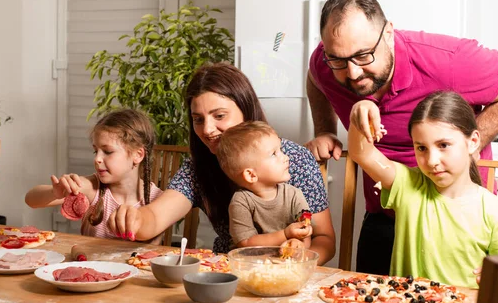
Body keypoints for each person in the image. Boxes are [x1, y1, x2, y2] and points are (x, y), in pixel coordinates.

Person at [305, 0, 498, 275]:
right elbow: (316, 79)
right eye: (339, 61)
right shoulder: (326, 60)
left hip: (459, 215)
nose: (352, 73)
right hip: (387, 208)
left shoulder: (451, 60)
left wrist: (466, 146)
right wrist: (326, 129)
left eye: (363, 56)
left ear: (388, 34)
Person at [106, 62, 336, 265]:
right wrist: (134, 219)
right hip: (227, 272)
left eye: (219, 116)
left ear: (245, 111)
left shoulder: (294, 159)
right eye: (198, 119)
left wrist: (297, 265)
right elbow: (155, 217)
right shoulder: (198, 168)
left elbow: (324, 239)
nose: (206, 130)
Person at [348, 91, 498, 288]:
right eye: (421, 148)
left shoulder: (495, 210)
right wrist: (359, 113)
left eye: (443, 145)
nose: (431, 161)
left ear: (473, 142)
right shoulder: (408, 185)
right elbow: (361, 153)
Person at [25, 109, 163, 242]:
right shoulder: (92, 188)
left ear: (137, 155)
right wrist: (54, 193)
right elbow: (31, 199)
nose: (97, 159)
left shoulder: (157, 200)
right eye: (95, 151)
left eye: (107, 152)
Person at [215, 120, 313, 249]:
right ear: (251, 175)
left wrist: (299, 245)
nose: (285, 157)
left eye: (281, 150)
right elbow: (245, 243)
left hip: (287, 265)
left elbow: (305, 230)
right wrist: (285, 234)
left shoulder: (294, 194)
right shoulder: (241, 201)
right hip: (250, 265)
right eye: (274, 154)